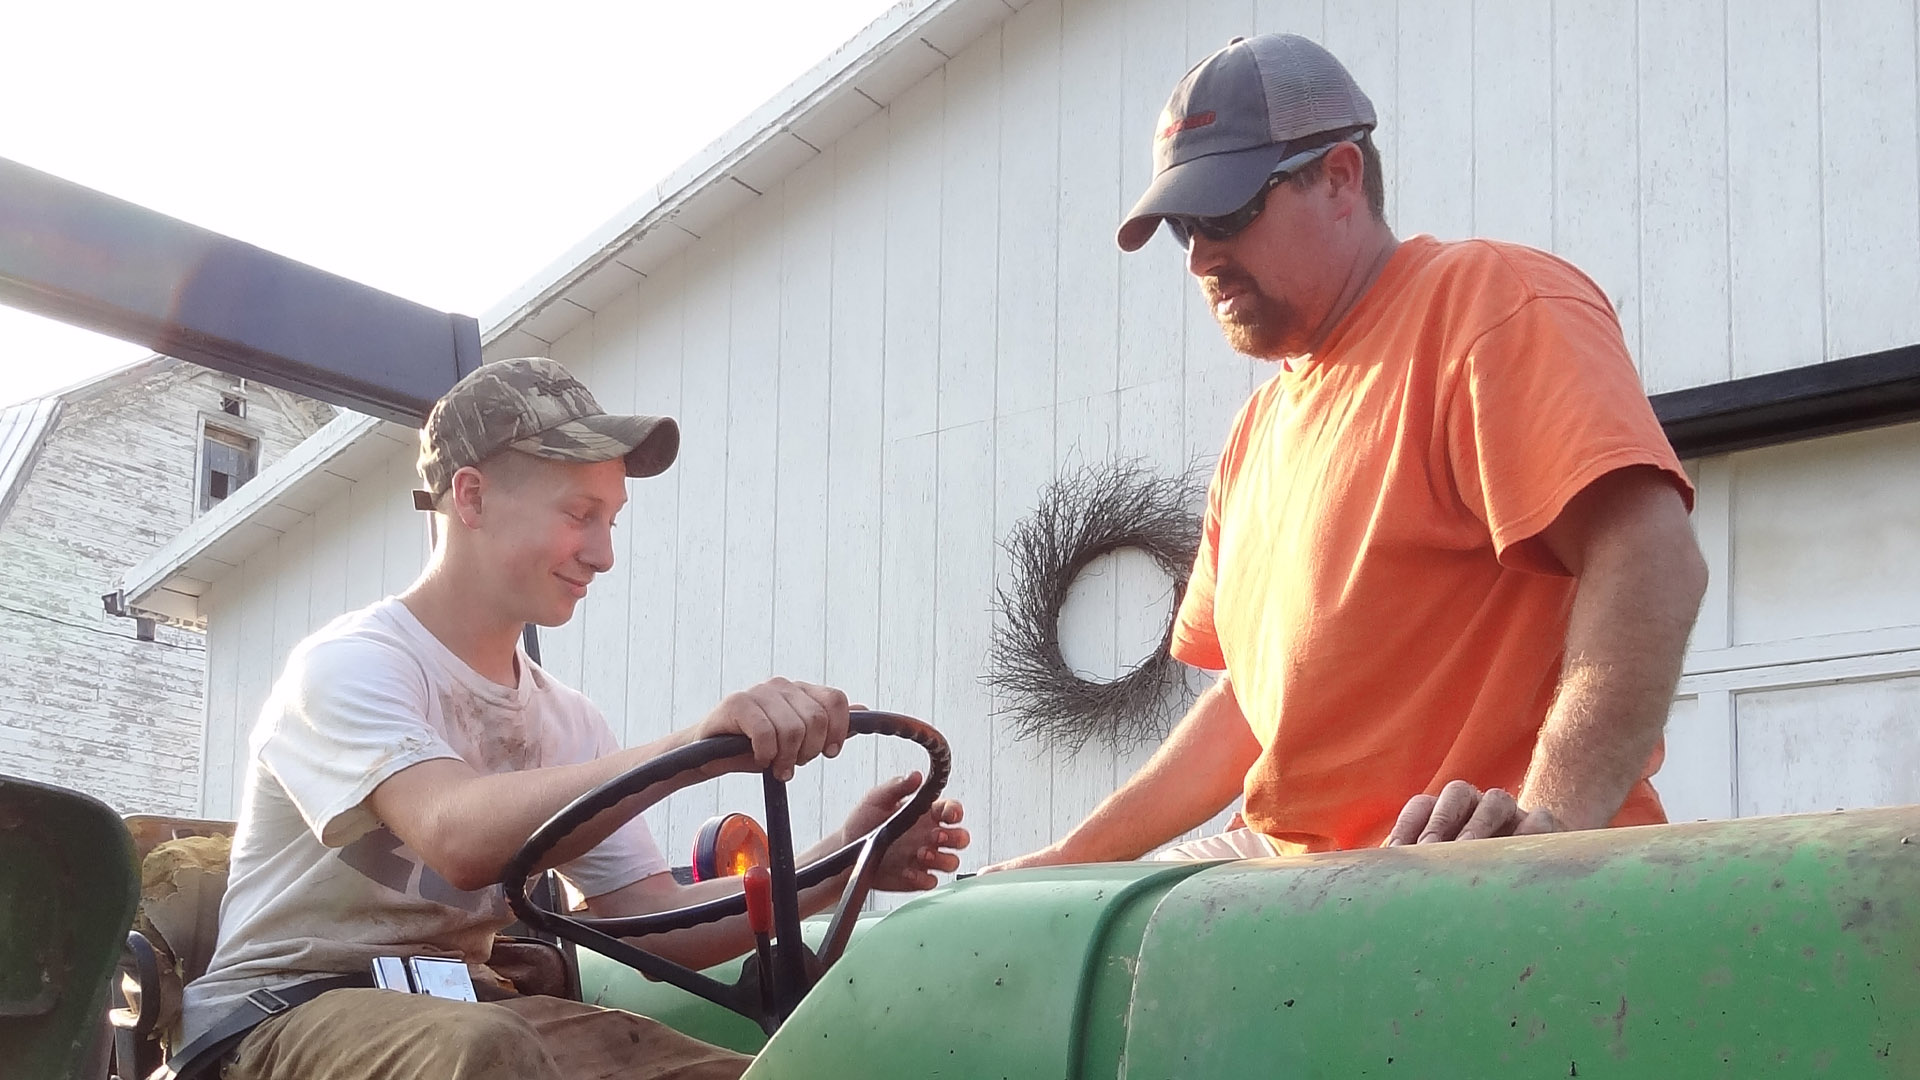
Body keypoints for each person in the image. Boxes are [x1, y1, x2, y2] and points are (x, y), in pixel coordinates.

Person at [989, 34, 1705, 869]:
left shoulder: (1484, 305)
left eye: (1225, 211)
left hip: (1467, 896)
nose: (1201, 257)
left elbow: (1651, 556)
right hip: (1312, 895)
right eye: (1183, 228)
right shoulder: (1256, 435)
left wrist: (1548, 827)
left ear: (1339, 177)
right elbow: (1251, 713)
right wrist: (1062, 862)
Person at [178, 356, 969, 1080]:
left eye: (612, 520)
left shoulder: (567, 721)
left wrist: (844, 860)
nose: (603, 553)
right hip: (281, 1019)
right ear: (472, 496)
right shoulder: (349, 665)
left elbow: (645, 921)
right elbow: (456, 836)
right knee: (489, 1054)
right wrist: (698, 748)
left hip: (471, 1009)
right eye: (578, 512)